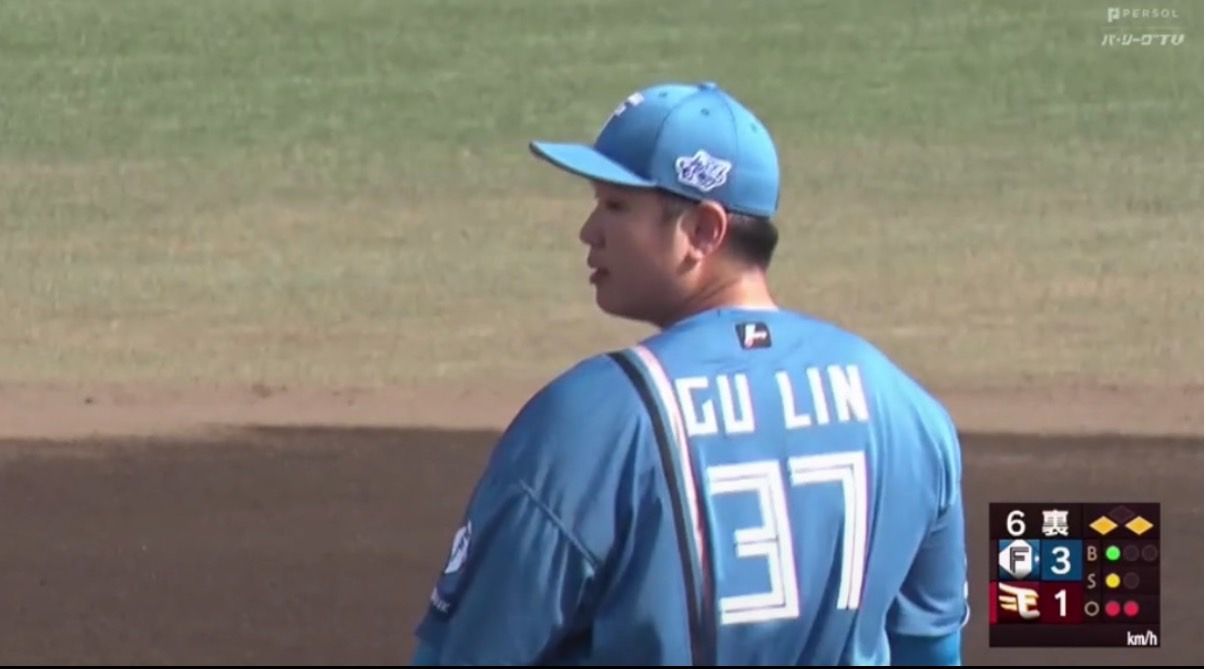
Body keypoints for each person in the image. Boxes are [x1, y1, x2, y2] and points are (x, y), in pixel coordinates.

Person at [410, 81, 969, 665]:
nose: (589, 231)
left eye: (616, 206)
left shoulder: (593, 421)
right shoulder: (907, 412)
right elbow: (932, 652)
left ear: (704, 230)